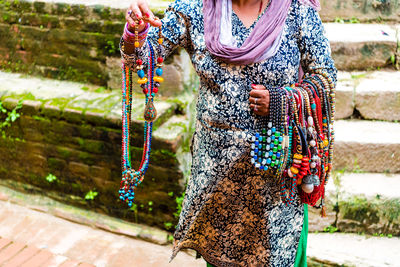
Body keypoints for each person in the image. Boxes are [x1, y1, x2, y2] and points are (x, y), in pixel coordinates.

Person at [120, 0, 337, 266]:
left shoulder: (296, 11)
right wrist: (135, 33)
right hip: (217, 178)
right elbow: (142, 58)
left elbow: (325, 77)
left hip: (275, 179)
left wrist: (281, 101)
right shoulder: (194, 8)